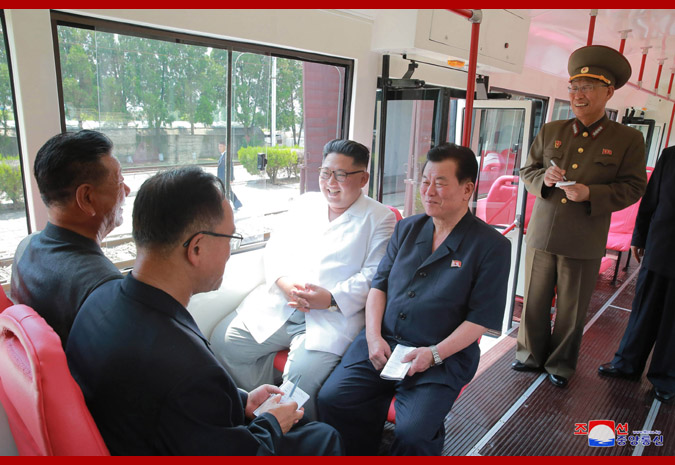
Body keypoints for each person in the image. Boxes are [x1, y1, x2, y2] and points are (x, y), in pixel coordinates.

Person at [65, 166, 343, 456]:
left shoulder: (98, 298)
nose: (229, 252)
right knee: (324, 436)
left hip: (142, 432)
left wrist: (241, 400)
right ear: (196, 248)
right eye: (229, 239)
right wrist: (272, 423)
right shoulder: (190, 368)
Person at [317, 143, 511, 455]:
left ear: (467, 189)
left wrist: (434, 354)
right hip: (384, 343)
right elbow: (379, 286)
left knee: (414, 432)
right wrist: (373, 337)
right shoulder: (407, 228)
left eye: (440, 183)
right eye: (425, 181)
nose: (428, 192)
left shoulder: (491, 246)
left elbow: (481, 319)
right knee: (333, 399)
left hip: (441, 356)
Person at [211, 139, 396, 421]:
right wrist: (285, 284)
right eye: (325, 173)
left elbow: (374, 274)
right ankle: (261, 412)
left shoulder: (380, 217)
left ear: (363, 179)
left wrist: (330, 299)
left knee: (302, 379)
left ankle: (297, 436)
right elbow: (276, 248)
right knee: (224, 342)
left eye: (341, 175)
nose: (330, 183)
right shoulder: (305, 203)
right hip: (284, 302)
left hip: (333, 315)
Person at [514, 45, 648, 388]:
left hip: (585, 236)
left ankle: (560, 364)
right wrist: (543, 179)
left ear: (609, 92)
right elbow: (528, 170)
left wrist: (591, 194)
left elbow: (634, 187)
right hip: (543, 233)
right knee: (534, 302)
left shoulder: (628, 139)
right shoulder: (552, 130)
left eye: (587, 87)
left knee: (571, 309)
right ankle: (529, 355)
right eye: (574, 87)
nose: (578, 95)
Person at [10, 130, 130, 346]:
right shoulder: (103, 287)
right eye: (119, 182)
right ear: (86, 198)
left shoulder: (25, 247)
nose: (127, 190)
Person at [598, 146, 675, 404]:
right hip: (661, 245)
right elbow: (651, 200)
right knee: (644, 309)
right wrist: (639, 237)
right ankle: (627, 364)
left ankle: (666, 377)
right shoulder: (671, 156)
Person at [217, 140, 242, 209]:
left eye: (221, 146)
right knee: (225, 191)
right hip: (222, 178)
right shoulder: (222, 156)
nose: (219, 148)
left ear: (225, 147)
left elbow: (230, 167)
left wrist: (231, 178)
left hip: (225, 178)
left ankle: (236, 203)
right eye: (219, 146)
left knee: (228, 192)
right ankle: (236, 203)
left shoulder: (226, 156)